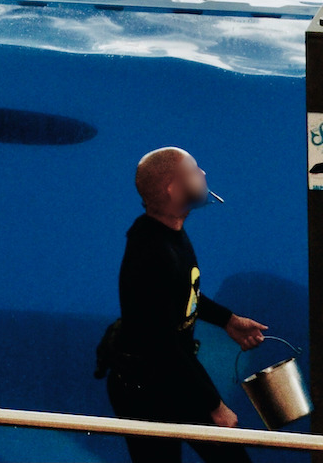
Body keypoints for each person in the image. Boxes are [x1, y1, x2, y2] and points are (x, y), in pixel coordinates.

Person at [104, 147, 268, 463]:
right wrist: (214, 405)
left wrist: (228, 320)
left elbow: (181, 292)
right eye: (194, 170)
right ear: (173, 189)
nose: (203, 174)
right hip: (144, 388)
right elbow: (163, 345)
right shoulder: (152, 253)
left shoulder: (168, 233)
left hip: (170, 376)